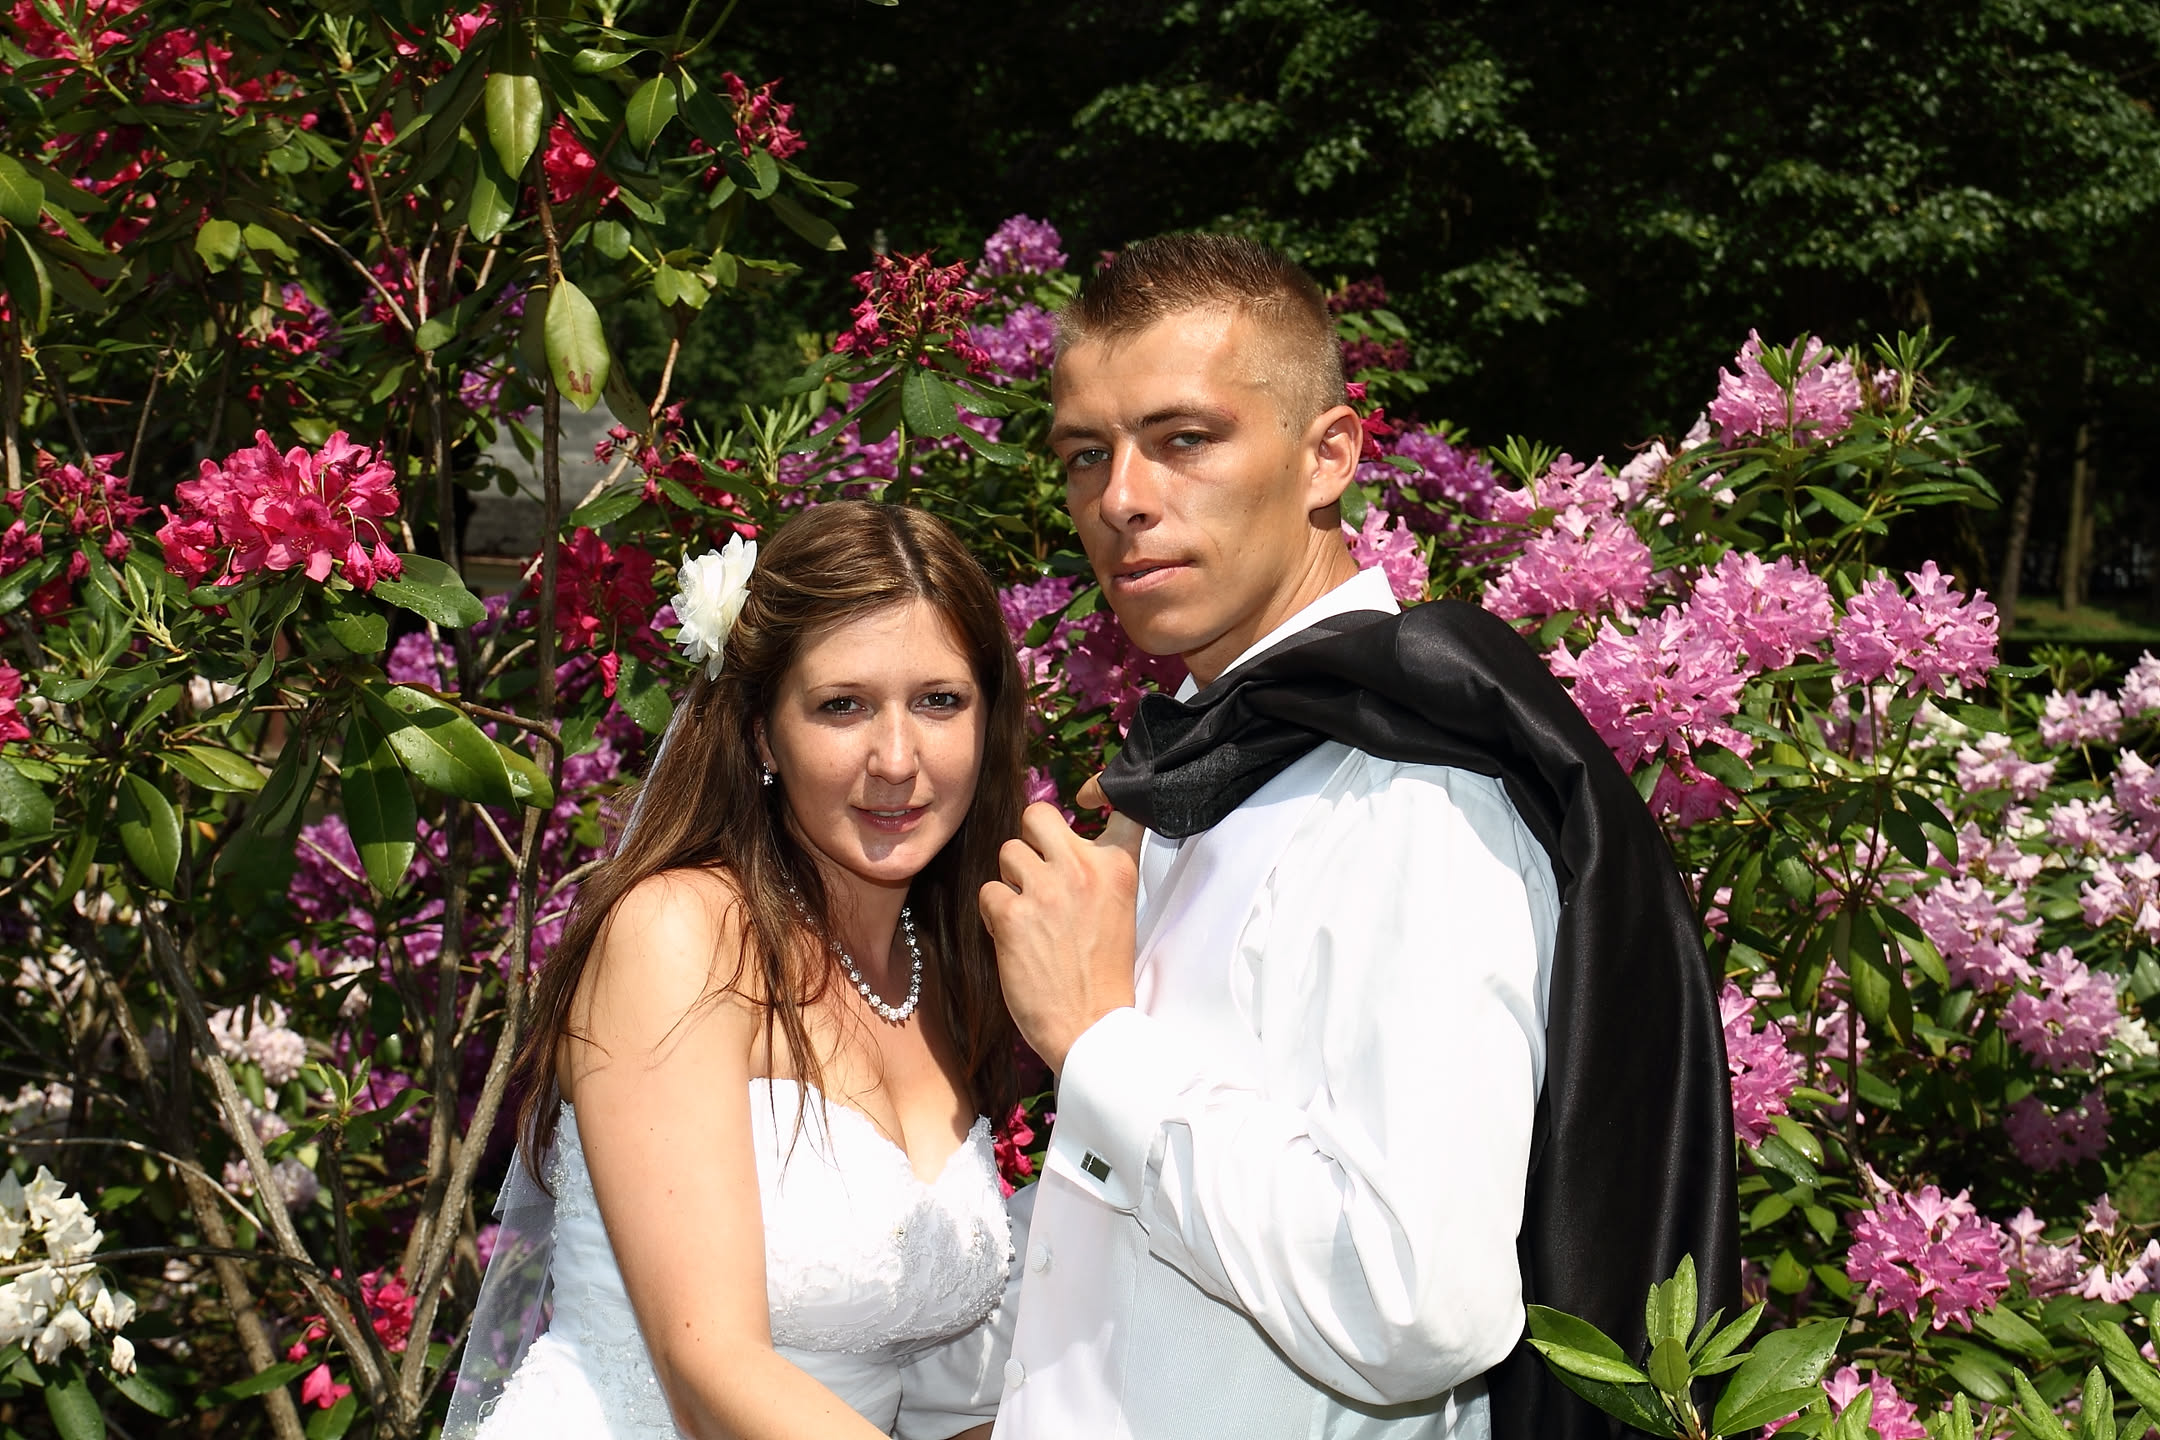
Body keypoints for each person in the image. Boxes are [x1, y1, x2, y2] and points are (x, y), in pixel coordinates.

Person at [979, 235, 1734, 1439]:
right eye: (1085, 453)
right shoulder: (1212, 763)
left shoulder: (1410, 797)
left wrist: (1096, 1043)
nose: (1120, 498)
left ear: (1328, 455)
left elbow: (1418, 1307)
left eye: (1185, 438)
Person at [455, 501, 1031, 1440]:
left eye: (939, 701)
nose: (897, 759)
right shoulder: (677, 933)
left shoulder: (944, 969)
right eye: (842, 706)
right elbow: (709, 1365)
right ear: (763, 734)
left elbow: (924, 1381)